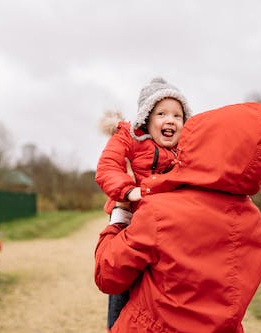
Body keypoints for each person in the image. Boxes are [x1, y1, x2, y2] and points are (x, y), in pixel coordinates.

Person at [95, 102, 261, 333]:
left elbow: (108, 276)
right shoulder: (254, 224)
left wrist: (121, 211)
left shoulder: (159, 212)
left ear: (202, 143)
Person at [95, 77, 192, 330]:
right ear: (147, 118)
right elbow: (107, 167)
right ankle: (116, 325)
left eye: (177, 115)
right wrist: (128, 191)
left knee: (160, 281)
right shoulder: (129, 138)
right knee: (123, 275)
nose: (170, 120)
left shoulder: (185, 150)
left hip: (164, 222)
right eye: (162, 113)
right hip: (131, 217)